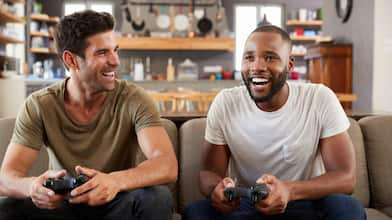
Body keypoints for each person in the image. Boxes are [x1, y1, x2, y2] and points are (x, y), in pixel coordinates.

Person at [0, 10, 177, 220]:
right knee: (6, 207)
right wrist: (32, 187)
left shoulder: (134, 98)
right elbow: (7, 178)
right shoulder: (39, 105)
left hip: (117, 204)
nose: (115, 61)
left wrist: (114, 181)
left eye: (115, 50)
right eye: (102, 53)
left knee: (158, 198)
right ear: (72, 60)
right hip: (63, 207)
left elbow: (167, 165)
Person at [184, 25, 366, 220]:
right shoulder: (226, 103)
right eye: (249, 58)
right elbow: (209, 172)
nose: (257, 66)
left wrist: (289, 190)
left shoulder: (319, 98)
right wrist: (217, 189)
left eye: (270, 57)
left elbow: (345, 178)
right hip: (249, 203)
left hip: (303, 201)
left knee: (348, 208)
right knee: (197, 212)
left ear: (289, 64)